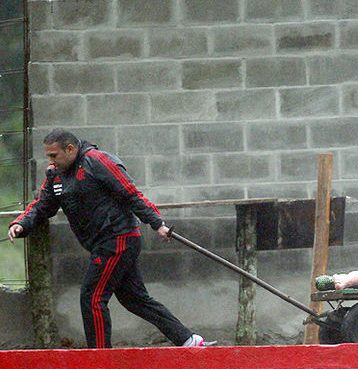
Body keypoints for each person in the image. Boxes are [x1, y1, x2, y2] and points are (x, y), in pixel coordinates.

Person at [8, 129, 210, 348]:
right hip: (102, 244)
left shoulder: (98, 161)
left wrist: (157, 223)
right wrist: (21, 223)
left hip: (118, 238)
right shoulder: (55, 175)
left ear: (70, 149)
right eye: (48, 156)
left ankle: (100, 357)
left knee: (92, 297)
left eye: (54, 155)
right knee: (135, 299)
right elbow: (43, 205)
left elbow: (131, 193)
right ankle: (189, 340)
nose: (50, 161)